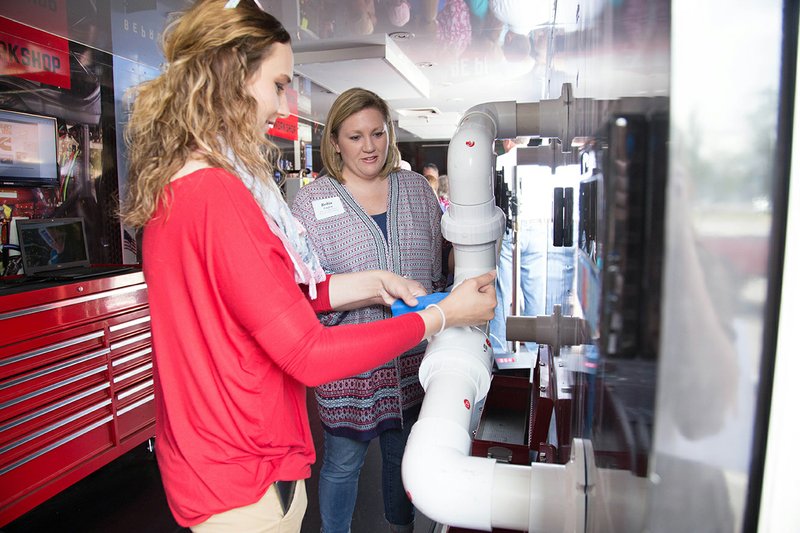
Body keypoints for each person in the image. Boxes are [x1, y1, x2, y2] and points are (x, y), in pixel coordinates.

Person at [120, 2, 496, 532]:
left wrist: (372, 284)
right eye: (277, 84)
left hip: (210, 466)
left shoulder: (181, 187)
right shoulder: (219, 196)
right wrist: (440, 317)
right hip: (246, 477)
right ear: (232, 77)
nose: (283, 104)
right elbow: (308, 353)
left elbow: (268, 296)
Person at [291, 87, 443, 533]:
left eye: (378, 133)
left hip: (411, 358)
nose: (370, 146)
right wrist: (374, 292)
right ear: (334, 140)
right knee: (342, 462)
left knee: (404, 458)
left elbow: (435, 271)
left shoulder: (415, 189)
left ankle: (402, 528)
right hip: (347, 363)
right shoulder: (309, 204)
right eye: (355, 137)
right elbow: (307, 295)